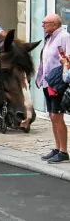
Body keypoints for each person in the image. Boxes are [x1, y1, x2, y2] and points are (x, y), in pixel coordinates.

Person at [37, 13, 70, 164]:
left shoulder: (64, 36)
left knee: (57, 117)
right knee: (52, 116)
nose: (43, 25)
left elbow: (68, 58)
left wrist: (65, 61)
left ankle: (63, 151)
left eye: (46, 23)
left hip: (57, 83)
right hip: (47, 82)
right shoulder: (49, 37)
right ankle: (57, 148)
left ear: (55, 24)